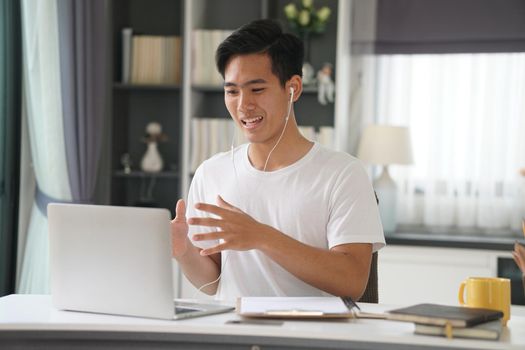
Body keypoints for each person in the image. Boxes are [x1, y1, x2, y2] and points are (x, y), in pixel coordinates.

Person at [170, 19, 385, 301]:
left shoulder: (342, 173)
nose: (243, 105)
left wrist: (261, 236)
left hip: (308, 339)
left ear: (293, 88)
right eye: (232, 91)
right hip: (231, 335)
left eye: (256, 89)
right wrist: (184, 251)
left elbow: (352, 281)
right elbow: (214, 282)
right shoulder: (211, 173)